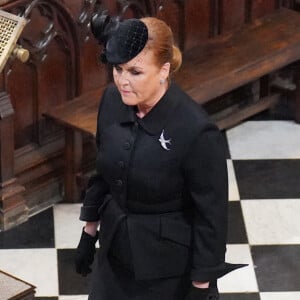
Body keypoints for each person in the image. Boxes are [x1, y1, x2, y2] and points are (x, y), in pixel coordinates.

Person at [75, 13, 246, 300]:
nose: (122, 81)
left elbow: (212, 216)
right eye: (117, 69)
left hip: (168, 271)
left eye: (135, 72)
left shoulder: (196, 130)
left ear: (164, 70)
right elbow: (104, 172)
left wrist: (201, 286)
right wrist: (89, 232)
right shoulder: (112, 101)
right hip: (114, 257)